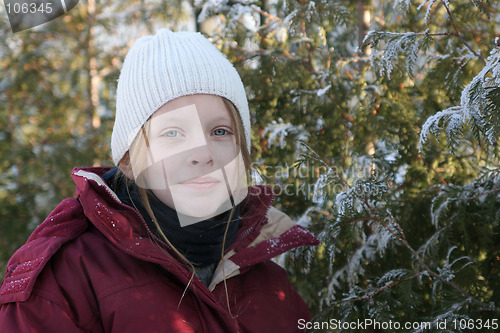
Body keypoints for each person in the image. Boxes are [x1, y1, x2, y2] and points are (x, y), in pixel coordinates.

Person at [0, 29, 318, 332]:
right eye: (173, 133)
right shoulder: (67, 282)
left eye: (220, 131)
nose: (203, 154)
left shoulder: (272, 283)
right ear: (128, 161)